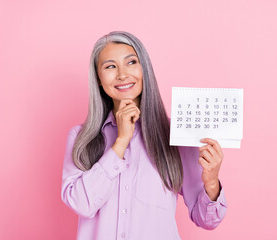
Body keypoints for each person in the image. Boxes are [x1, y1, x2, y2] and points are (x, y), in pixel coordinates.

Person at [61, 31, 227, 240]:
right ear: (99, 79)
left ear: (144, 70)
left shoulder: (175, 134)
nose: (122, 74)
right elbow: (81, 204)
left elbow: (206, 219)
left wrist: (211, 181)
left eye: (131, 62)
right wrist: (120, 142)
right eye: (110, 66)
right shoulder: (81, 138)